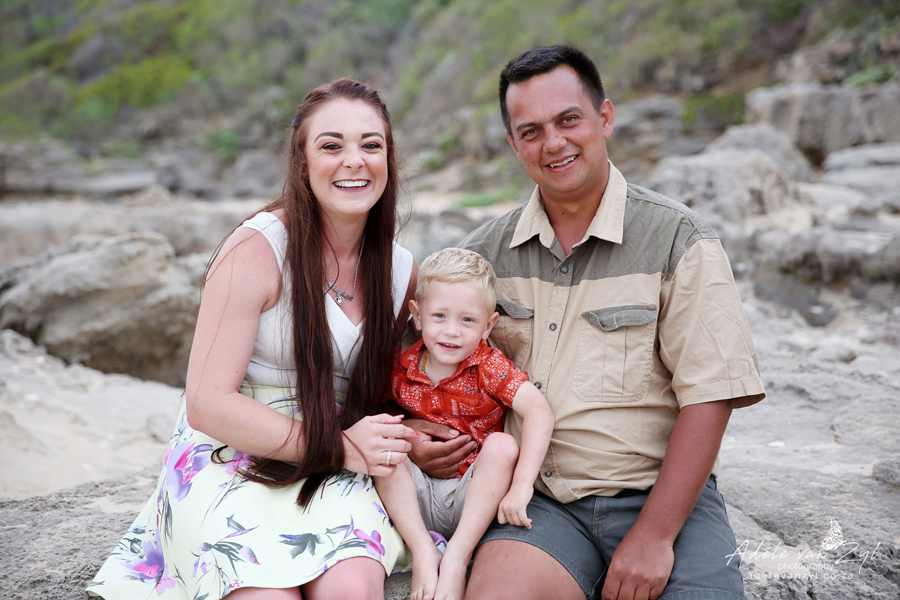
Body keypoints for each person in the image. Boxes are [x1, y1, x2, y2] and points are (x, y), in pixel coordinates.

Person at [407, 46, 766, 600]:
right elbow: (415, 363)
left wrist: (655, 536)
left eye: (568, 120)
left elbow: (711, 395)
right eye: (530, 131)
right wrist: (414, 436)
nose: (553, 143)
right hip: (536, 505)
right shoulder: (482, 257)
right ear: (513, 145)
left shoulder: (678, 239)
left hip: (659, 499)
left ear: (605, 118)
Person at [87, 78, 426, 600]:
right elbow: (207, 402)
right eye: (331, 146)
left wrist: (414, 434)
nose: (354, 161)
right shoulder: (255, 250)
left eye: (371, 145)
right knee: (262, 593)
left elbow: (382, 393)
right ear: (302, 161)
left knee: (353, 587)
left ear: (389, 158)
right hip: (234, 449)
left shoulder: (400, 272)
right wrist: (336, 447)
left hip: (337, 457)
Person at [374, 248, 554, 600]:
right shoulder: (402, 366)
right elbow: (367, 409)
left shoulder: (488, 367)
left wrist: (522, 486)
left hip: (473, 498)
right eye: (439, 316)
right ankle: (423, 550)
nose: (452, 331)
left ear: (488, 326)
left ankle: (457, 556)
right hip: (414, 497)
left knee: (502, 445)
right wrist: (406, 428)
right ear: (417, 316)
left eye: (468, 320)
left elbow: (539, 412)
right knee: (383, 440)